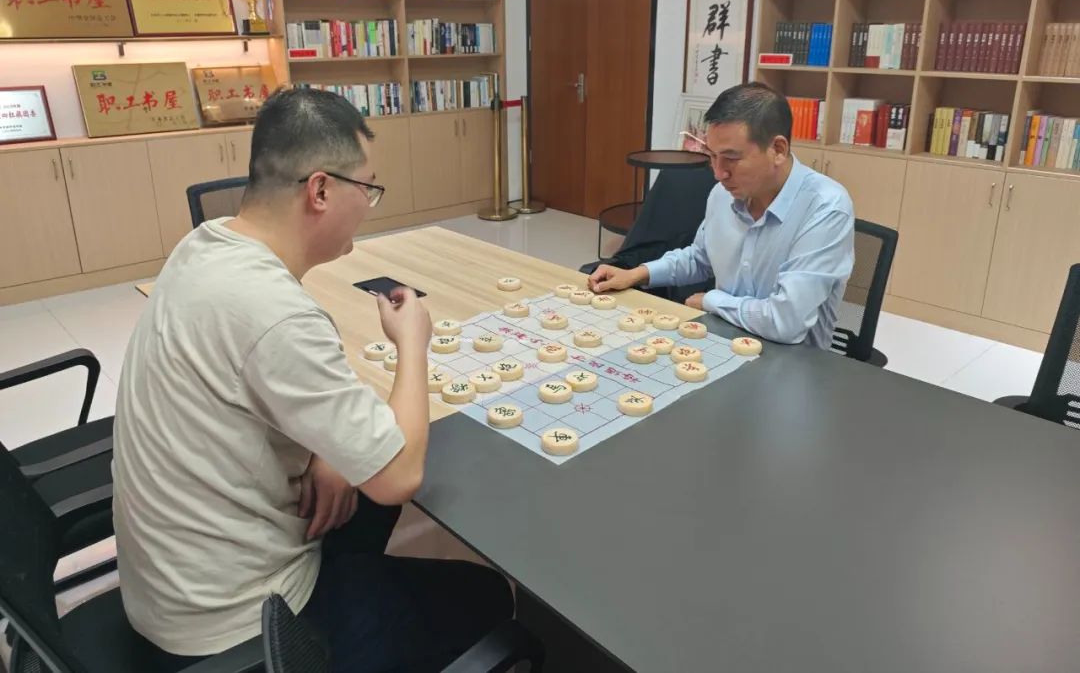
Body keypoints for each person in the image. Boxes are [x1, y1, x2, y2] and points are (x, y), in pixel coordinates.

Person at [112, 87, 513, 672]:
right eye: (368, 188)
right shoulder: (275, 312)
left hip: (171, 586)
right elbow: (400, 476)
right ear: (320, 190)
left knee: (356, 479)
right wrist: (412, 343)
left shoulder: (205, 244)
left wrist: (325, 451)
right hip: (236, 628)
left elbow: (268, 384)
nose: (370, 204)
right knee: (487, 595)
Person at [589, 82, 854, 348]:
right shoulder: (723, 194)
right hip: (723, 338)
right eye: (712, 156)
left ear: (778, 150)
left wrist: (710, 300)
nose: (718, 173)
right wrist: (637, 273)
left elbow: (786, 322)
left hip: (792, 358)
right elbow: (700, 258)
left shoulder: (826, 207)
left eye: (731, 158)